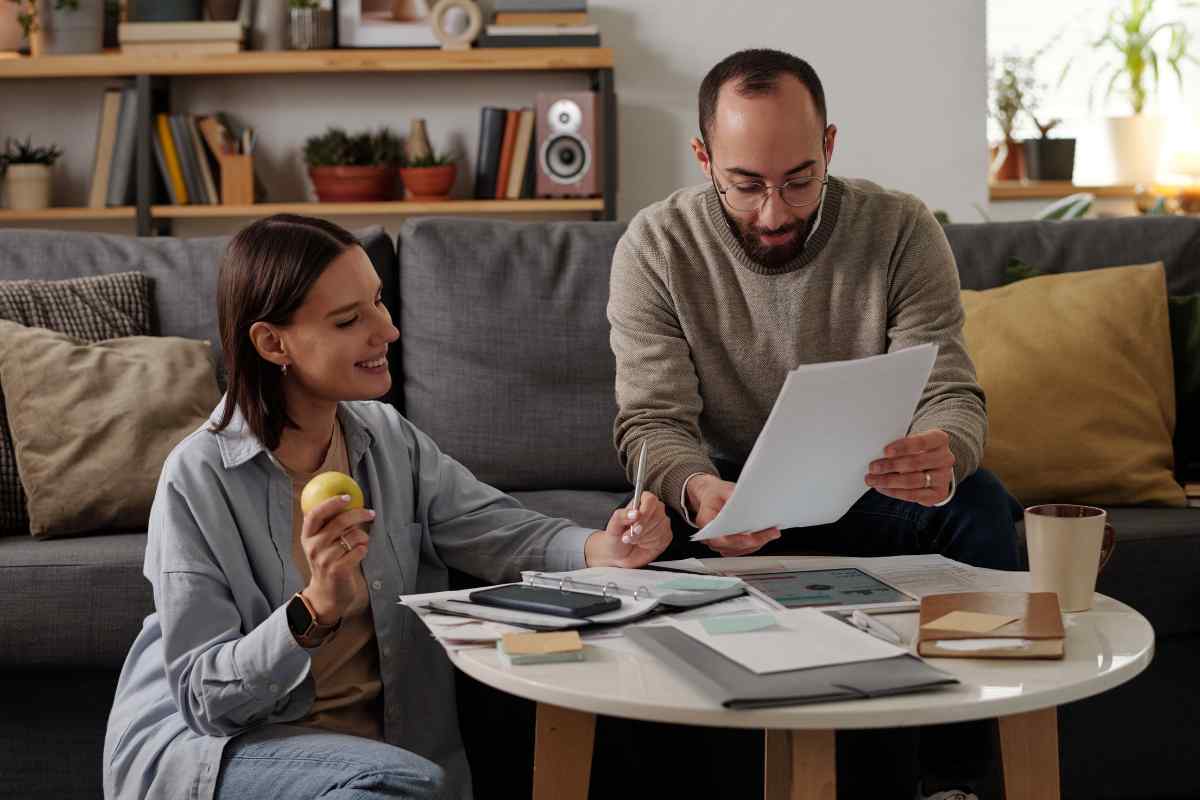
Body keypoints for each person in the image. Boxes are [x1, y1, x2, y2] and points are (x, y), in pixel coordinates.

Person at [103, 214, 671, 800]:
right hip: (235, 750)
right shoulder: (197, 478)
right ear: (273, 343)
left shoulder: (386, 437)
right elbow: (205, 703)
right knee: (402, 786)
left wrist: (604, 548)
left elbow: (496, 529)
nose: (387, 331)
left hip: (383, 765)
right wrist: (315, 608)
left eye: (377, 301)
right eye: (350, 320)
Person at [607, 49, 1022, 800]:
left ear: (829, 146)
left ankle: (952, 782)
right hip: (725, 510)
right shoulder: (655, 245)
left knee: (982, 504)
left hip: (868, 495)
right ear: (703, 158)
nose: (775, 212)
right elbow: (650, 424)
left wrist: (944, 451)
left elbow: (952, 392)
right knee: (635, 555)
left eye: (800, 179)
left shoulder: (900, 229)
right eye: (745, 185)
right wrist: (699, 489)